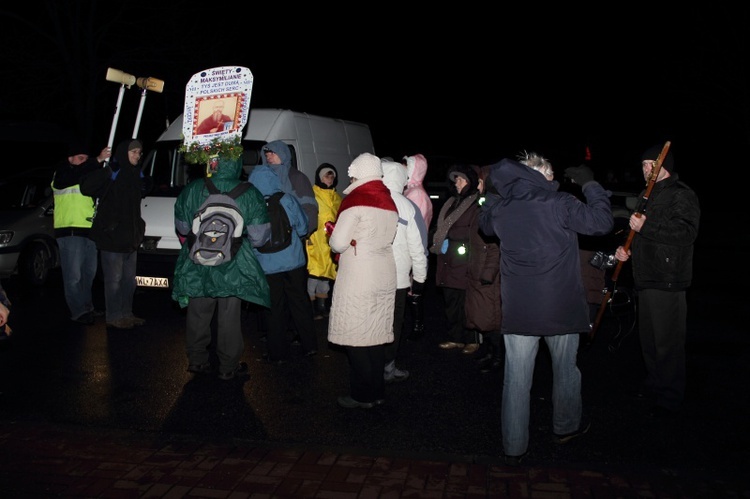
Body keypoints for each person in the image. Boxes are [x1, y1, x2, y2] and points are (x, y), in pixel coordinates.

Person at [479, 152, 614, 466]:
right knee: (565, 370)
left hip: (520, 310)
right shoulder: (561, 204)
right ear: (538, 175)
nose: (554, 178)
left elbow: (485, 224)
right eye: (550, 172)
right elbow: (602, 222)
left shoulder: (503, 208)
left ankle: (514, 446)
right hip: (561, 307)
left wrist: (493, 195)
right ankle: (565, 428)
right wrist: (591, 184)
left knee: (516, 380)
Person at [613, 144, 700, 417]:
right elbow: (639, 236)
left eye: (653, 164)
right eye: (644, 165)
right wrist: (626, 250)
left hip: (668, 278)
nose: (647, 169)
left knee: (668, 341)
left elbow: (685, 233)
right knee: (648, 339)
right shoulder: (646, 195)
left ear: (666, 167)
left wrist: (646, 226)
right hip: (645, 277)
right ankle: (655, 383)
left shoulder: (681, 195)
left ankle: (670, 395)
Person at [173, 152, 271, 380]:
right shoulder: (250, 192)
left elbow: (182, 226)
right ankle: (228, 366)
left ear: (212, 163)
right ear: (237, 162)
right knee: (229, 314)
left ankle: (197, 361)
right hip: (233, 263)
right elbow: (259, 237)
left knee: (197, 311)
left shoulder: (193, 189)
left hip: (198, 261)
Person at [327, 152, 398, 409]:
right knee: (376, 334)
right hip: (384, 270)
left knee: (356, 335)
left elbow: (338, 242)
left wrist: (334, 232)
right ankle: (377, 391)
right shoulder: (388, 200)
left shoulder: (355, 201)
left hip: (360, 273)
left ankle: (362, 395)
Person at [249, 161, 318, 363]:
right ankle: (310, 346)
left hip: (267, 265)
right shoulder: (287, 199)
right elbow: (303, 227)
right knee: (300, 303)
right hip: (293, 260)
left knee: (274, 308)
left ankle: (277, 353)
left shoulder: (252, 203)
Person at [80, 139, 152, 330]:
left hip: (130, 237)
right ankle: (114, 316)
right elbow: (86, 187)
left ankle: (127, 313)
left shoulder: (135, 173)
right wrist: (107, 170)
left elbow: (144, 192)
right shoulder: (114, 171)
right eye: (133, 152)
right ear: (124, 153)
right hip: (112, 237)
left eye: (139, 152)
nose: (137, 156)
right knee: (114, 280)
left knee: (129, 280)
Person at [52, 141, 111, 325]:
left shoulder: (86, 176)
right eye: (80, 158)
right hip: (69, 231)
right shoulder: (63, 174)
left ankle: (87, 308)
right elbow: (75, 175)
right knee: (73, 276)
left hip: (89, 231)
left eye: (86, 158)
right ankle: (78, 312)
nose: (84, 161)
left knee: (88, 273)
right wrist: (97, 160)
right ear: (70, 159)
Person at [381, 160, 428, 383]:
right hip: (398, 278)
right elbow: (418, 247)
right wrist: (419, 279)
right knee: (393, 323)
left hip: (372, 276)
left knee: (374, 321)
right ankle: (388, 367)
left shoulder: (371, 199)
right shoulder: (408, 206)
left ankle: (370, 366)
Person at [430, 164, 481, 354]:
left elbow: (471, 229)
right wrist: (436, 237)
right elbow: (442, 225)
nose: (456, 183)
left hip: (465, 259)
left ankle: (472, 339)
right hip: (447, 259)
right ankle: (456, 338)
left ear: (469, 182)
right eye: (455, 179)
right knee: (451, 301)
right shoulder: (452, 201)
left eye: (460, 179)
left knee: (466, 302)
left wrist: (451, 236)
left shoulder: (476, 203)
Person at [466, 165, 503, 374]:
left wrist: (487, 274)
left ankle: (497, 356)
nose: (477, 185)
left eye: (480, 181)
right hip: (478, 270)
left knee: (492, 318)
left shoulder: (495, 207)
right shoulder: (485, 204)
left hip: (489, 276)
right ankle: (489, 351)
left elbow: (495, 247)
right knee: (482, 317)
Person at [258, 141, 318, 237]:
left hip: (291, 239)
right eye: (266, 154)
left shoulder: (297, 177)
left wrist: (296, 235)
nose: (269, 157)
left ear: (282, 153)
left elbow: (310, 210)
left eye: (273, 153)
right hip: (269, 239)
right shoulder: (264, 179)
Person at [306, 163, 342, 319]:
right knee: (314, 273)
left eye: (332, 176)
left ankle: (322, 306)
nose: (330, 178)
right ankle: (311, 307)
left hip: (330, 241)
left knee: (327, 274)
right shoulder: (312, 194)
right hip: (315, 239)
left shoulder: (337, 197)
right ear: (320, 177)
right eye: (327, 175)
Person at [403, 154, 432, 340]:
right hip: (411, 248)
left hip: (413, 248)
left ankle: (417, 327)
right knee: (410, 289)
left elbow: (416, 227)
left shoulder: (417, 194)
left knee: (414, 290)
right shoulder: (412, 190)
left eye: (407, 167)